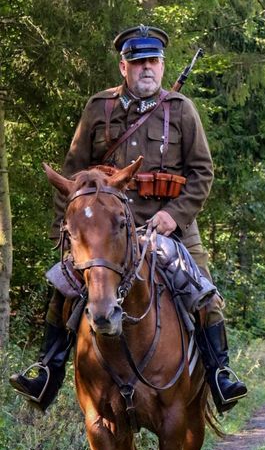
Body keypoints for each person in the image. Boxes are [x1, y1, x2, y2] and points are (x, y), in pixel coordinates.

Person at [10, 25, 247, 413]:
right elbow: (71, 177)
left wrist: (174, 215)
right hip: (104, 233)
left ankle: (220, 373)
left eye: (153, 62)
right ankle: (47, 372)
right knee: (63, 286)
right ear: (124, 67)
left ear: (163, 65)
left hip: (168, 225)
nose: (147, 69)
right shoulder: (98, 108)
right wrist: (64, 232)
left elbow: (202, 172)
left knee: (203, 291)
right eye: (139, 63)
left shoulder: (181, 109)